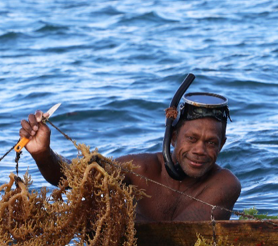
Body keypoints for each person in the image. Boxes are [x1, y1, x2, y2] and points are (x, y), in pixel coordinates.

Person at [19, 92, 241, 222]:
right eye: (191, 139)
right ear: (173, 137)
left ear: (222, 145)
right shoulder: (141, 169)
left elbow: (183, 237)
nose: (200, 150)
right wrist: (42, 153)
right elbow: (74, 176)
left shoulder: (225, 184)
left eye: (211, 143)